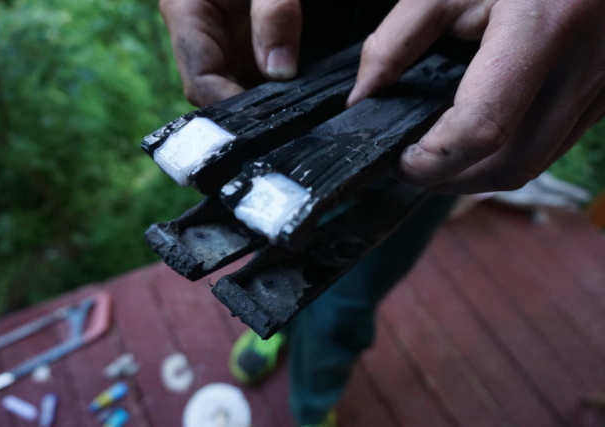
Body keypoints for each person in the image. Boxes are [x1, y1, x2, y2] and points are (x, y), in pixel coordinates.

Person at [158, 1, 605, 425]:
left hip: (462, 75)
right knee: (265, 220)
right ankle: (280, 330)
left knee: (344, 301)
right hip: (303, 57)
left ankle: (314, 402)